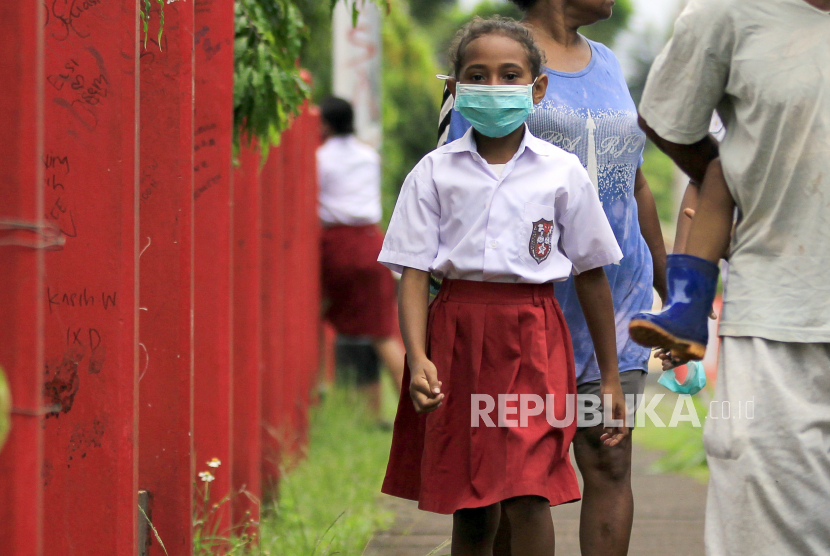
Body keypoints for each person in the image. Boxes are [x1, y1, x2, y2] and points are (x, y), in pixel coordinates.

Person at [379, 17, 628, 556]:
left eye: (509, 75)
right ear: (455, 87)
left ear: (537, 88)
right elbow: (415, 273)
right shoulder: (433, 172)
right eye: (478, 75)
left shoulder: (562, 172)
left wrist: (609, 377)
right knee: (470, 500)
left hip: (535, 339)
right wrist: (418, 357)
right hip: (457, 340)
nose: (494, 88)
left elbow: (591, 274)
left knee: (529, 490)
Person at [439, 1, 667, 554]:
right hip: (522, 308)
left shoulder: (608, 62)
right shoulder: (495, 63)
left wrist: (669, 277)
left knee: (609, 455)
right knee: (512, 480)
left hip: (611, 298)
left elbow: (633, 180)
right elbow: (453, 183)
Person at [634, 0, 830, 554]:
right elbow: (668, 118)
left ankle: (688, 310)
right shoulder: (728, 12)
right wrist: (744, 182)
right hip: (780, 323)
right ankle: (688, 312)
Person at [316, 96, 404, 418]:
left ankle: (315, 395)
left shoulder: (319, 158)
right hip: (371, 243)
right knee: (382, 330)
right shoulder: (369, 156)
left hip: (335, 246)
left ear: (324, 124)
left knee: (323, 318)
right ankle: (400, 412)